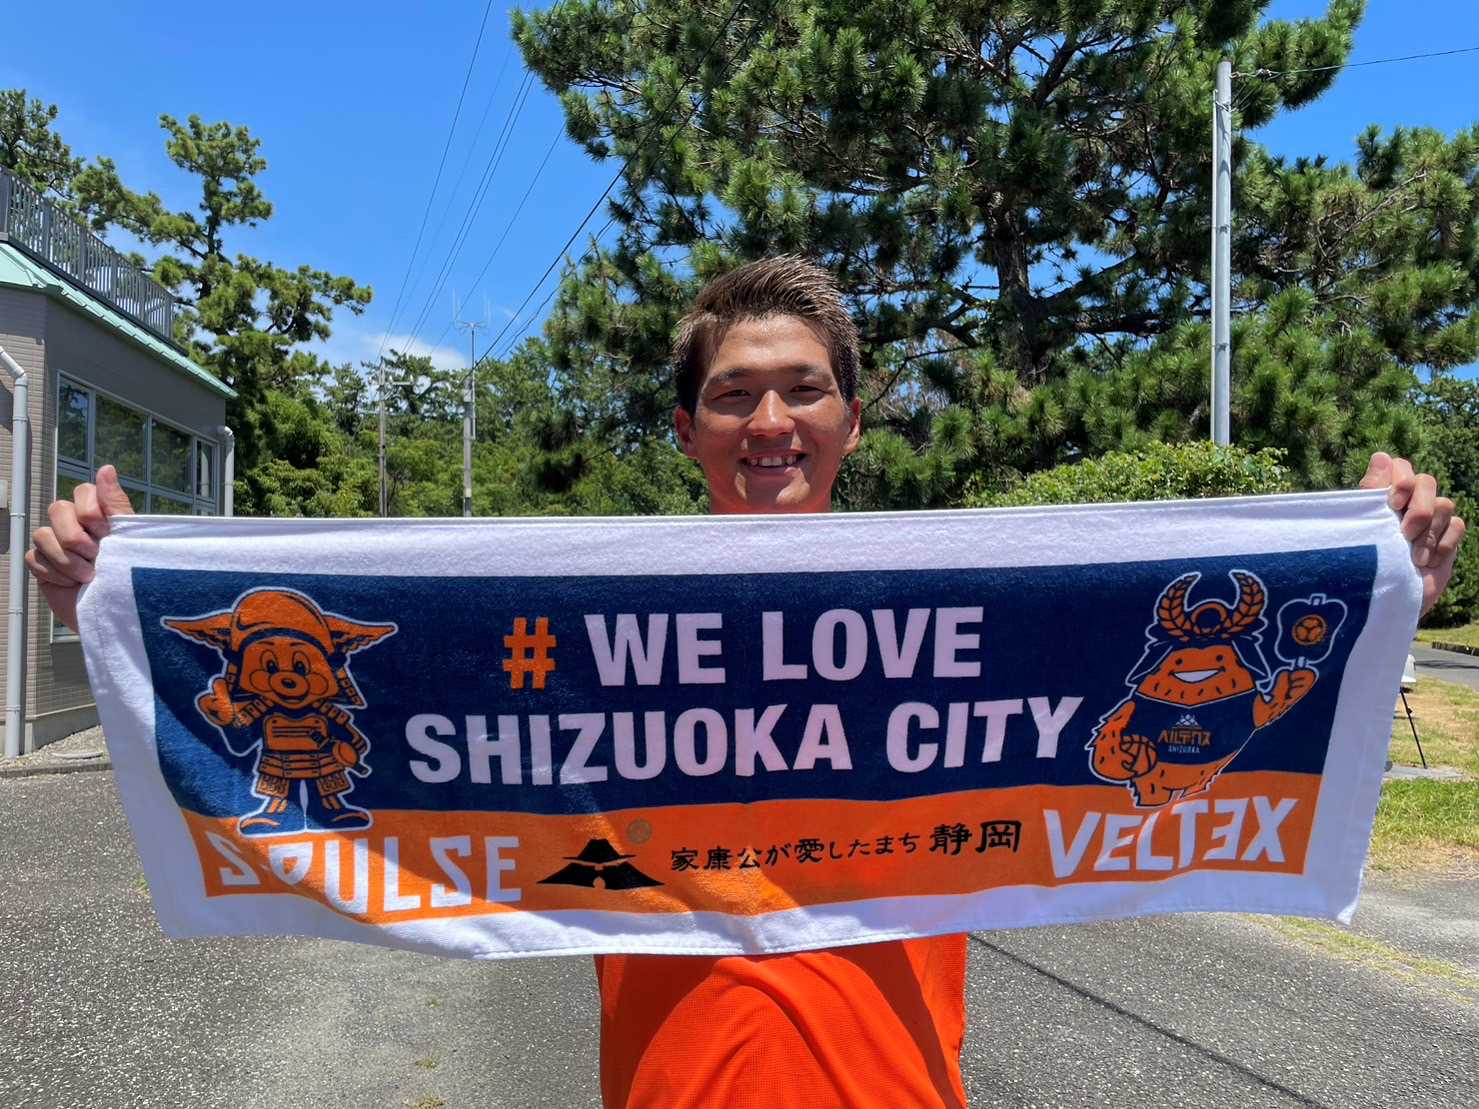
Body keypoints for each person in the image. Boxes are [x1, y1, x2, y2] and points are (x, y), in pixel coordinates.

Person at [26, 256, 1468, 1108]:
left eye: (801, 388)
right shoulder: (582, 612)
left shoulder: (981, 601)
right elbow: (397, 711)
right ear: (689, 429)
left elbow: (1193, 679)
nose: (769, 418)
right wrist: (111, 599)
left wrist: (1380, 570)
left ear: (851, 416)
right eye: (733, 393)